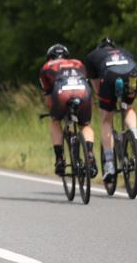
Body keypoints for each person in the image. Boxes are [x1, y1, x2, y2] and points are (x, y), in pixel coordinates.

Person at [85, 37, 137, 183]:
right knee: (128, 108)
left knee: (106, 119)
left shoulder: (92, 57)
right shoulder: (125, 51)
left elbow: (97, 88)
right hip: (133, 73)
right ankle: (135, 138)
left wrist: (105, 102)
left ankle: (109, 164)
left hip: (110, 77)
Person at [39, 44, 97, 177]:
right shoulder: (78, 63)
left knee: (55, 121)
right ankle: (89, 155)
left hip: (62, 92)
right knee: (85, 125)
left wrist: (54, 112)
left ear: (50, 57)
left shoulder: (46, 67)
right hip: (83, 91)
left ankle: (60, 160)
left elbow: (49, 99)